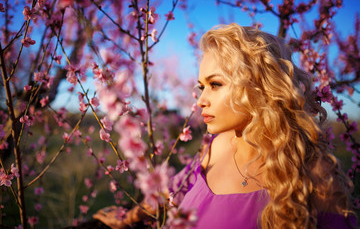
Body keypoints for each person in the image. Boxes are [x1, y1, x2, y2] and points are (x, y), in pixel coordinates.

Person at [93, 23, 358, 228]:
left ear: (258, 85)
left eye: (215, 84)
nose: (200, 101)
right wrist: (128, 218)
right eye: (201, 87)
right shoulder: (215, 148)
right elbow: (172, 190)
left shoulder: (315, 174)